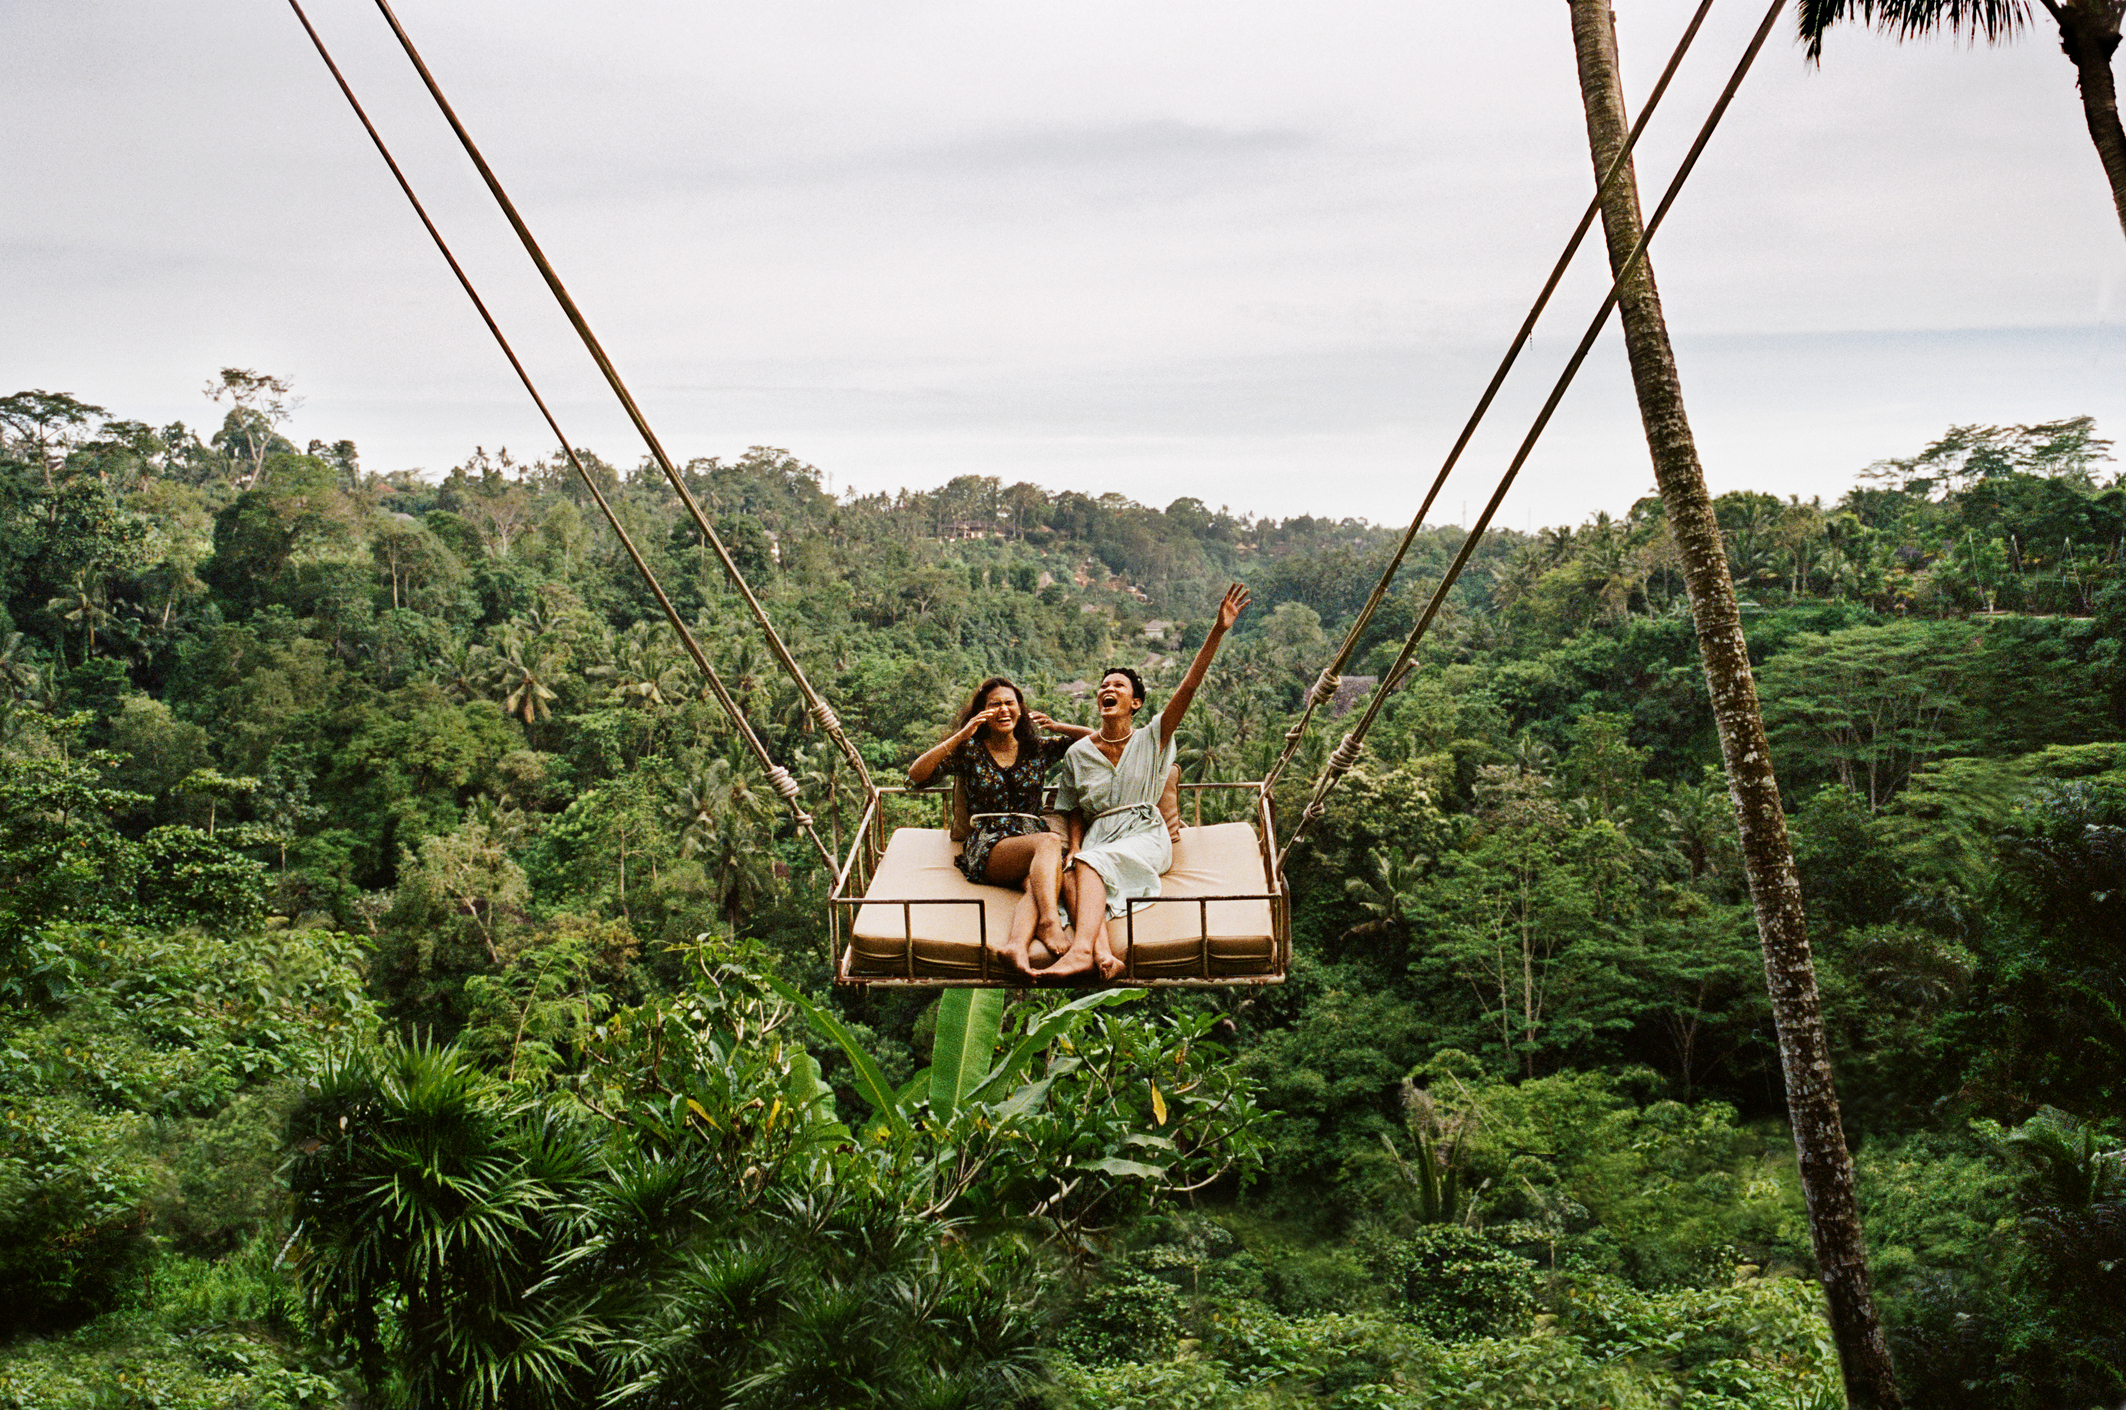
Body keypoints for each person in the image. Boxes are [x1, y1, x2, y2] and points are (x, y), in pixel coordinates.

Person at [1050, 582, 1250, 980]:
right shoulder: (1078, 754)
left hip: (1142, 832)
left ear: (1135, 703)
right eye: (1104, 687)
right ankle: (1103, 956)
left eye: (1118, 686)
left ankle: (1080, 951)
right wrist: (1072, 847)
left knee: (1089, 865)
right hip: (1097, 839)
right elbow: (1071, 809)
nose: (1108, 689)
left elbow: (1189, 686)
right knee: (1072, 871)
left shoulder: (1153, 738)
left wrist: (1218, 630)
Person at [907, 676, 1092, 976]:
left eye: (1010, 703)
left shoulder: (1037, 749)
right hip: (989, 842)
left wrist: (1058, 727)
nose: (1004, 710)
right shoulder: (970, 751)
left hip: (1028, 843)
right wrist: (962, 735)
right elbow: (915, 776)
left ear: (1021, 709)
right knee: (1048, 842)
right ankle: (1049, 922)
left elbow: (1100, 740)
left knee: (1036, 884)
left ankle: (1016, 945)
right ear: (981, 712)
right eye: (995, 705)